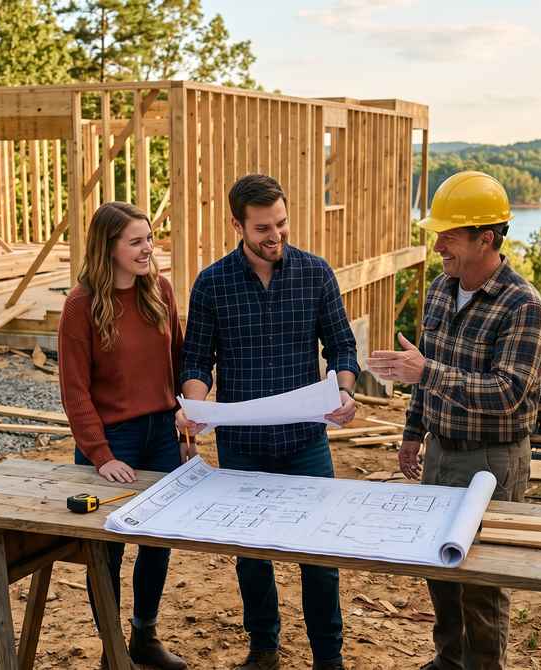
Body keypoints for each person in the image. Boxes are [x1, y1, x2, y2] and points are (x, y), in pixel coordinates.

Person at [367, 171, 541, 670]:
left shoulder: (524, 306)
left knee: (483, 583)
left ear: (485, 238)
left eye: (448, 234)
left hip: (492, 461)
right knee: (440, 568)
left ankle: (483, 667)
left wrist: (426, 371)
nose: (438, 243)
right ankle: (449, 660)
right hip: (442, 451)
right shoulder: (441, 289)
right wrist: (411, 432)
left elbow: (508, 394)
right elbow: (423, 369)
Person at [177, 174, 359, 670]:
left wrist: (344, 389)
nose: (275, 235)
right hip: (242, 445)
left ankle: (329, 658)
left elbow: (341, 345)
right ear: (237, 224)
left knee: (319, 555)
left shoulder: (316, 273)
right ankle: (263, 649)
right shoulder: (212, 283)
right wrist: (193, 409)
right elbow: (197, 362)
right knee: (251, 555)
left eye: (281, 223)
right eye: (262, 228)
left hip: (306, 441)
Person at [58, 201, 189, 670]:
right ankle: (113, 653)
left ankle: (144, 638)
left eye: (150, 238)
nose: (147, 249)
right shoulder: (81, 306)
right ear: (108, 247)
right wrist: (100, 454)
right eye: (135, 241)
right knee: (107, 551)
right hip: (114, 440)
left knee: (159, 540)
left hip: (161, 435)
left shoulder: (160, 291)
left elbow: (177, 358)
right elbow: (74, 392)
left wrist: (186, 412)